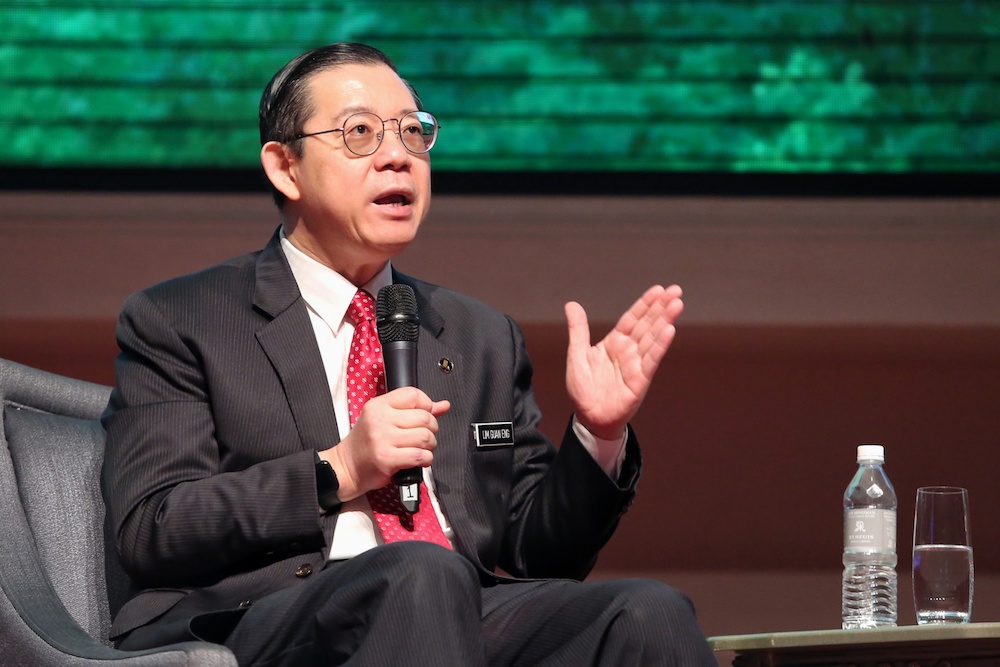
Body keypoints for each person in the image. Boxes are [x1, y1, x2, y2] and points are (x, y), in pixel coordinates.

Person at [101, 42, 715, 666]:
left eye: (414, 134)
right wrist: (341, 468)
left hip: (455, 604)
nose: (398, 157)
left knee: (645, 612)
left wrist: (597, 434)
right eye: (360, 133)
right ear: (285, 167)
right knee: (421, 575)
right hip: (262, 617)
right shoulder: (184, 317)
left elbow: (542, 555)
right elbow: (155, 527)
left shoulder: (477, 333)